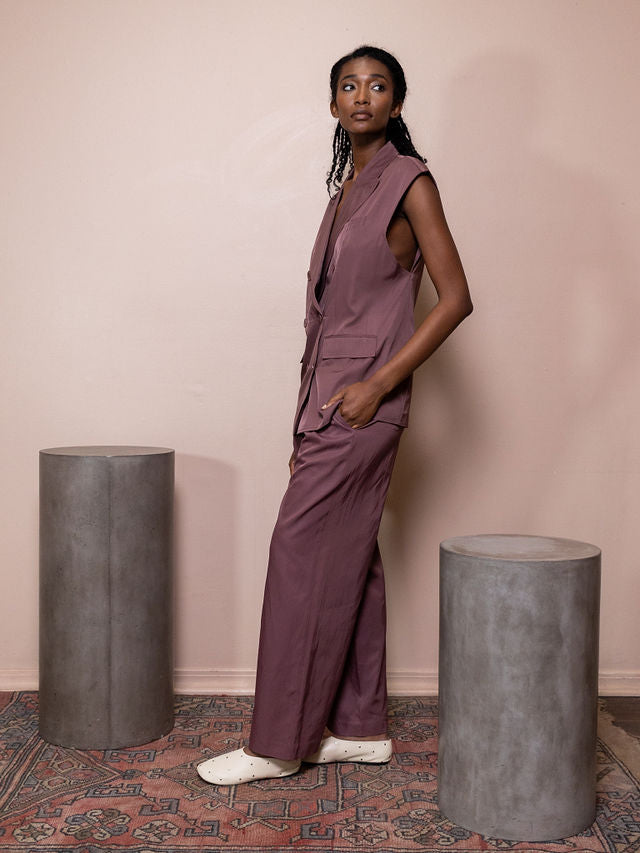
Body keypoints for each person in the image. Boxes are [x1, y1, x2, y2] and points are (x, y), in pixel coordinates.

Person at [197, 45, 472, 786]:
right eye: (348, 86)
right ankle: (359, 727)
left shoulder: (410, 182)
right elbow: (323, 323)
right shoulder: (346, 190)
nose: (362, 97)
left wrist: (377, 385)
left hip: (363, 404)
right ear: (332, 105)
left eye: (378, 86)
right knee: (354, 556)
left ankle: (277, 742)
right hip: (324, 407)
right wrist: (300, 425)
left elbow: (455, 299)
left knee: (296, 552)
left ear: (398, 102)